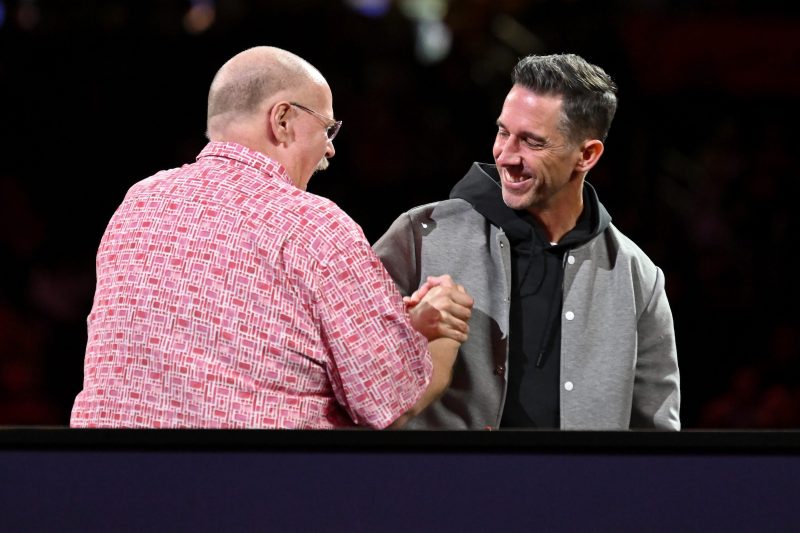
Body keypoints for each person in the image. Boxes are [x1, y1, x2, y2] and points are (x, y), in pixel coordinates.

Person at [70, 46, 473, 429]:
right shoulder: (315, 226)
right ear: (282, 119)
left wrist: (395, 330)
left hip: (104, 474)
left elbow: (224, 341)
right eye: (327, 128)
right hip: (257, 477)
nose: (330, 150)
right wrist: (442, 331)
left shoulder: (138, 203)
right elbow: (393, 401)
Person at [374, 53, 680, 430]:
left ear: (587, 155)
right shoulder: (421, 234)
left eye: (532, 142)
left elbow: (657, 437)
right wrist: (411, 327)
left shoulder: (637, 277)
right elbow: (350, 369)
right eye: (503, 132)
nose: (505, 156)